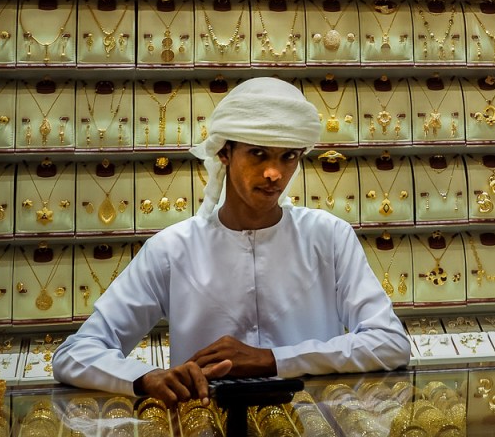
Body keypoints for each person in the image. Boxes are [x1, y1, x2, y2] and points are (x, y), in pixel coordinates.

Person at [53, 78, 410, 403]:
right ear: (224, 153)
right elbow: (76, 353)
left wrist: (272, 360)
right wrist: (145, 378)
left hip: (311, 423)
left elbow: (390, 343)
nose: (275, 173)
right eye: (259, 154)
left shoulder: (329, 236)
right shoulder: (172, 249)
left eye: (288, 157)